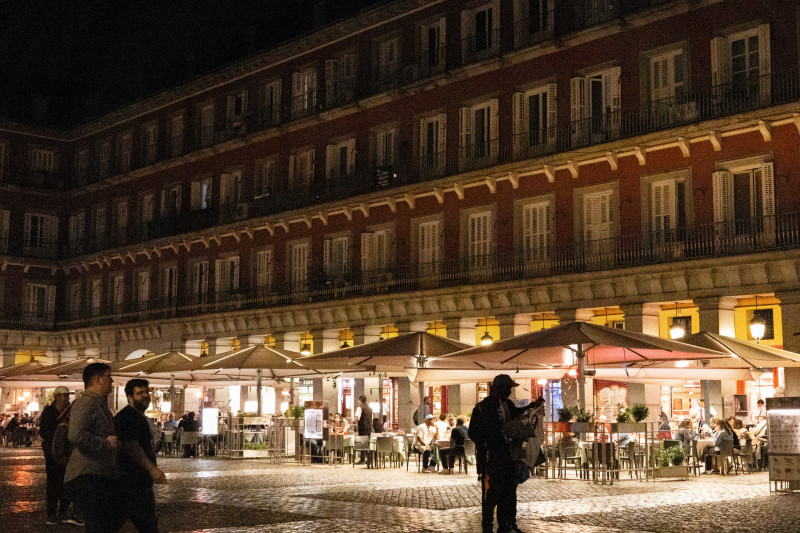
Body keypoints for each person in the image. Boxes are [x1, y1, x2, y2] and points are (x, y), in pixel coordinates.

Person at [469, 374, 545, 533]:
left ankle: (508, 525)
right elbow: (473, 433)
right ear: (498, 388)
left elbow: (518, 415)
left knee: (509, 493)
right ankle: (488, 527)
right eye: (507, 388)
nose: (509, 391)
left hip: (510, 457)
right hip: (492, 458)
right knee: (491, 495)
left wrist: (532, 406)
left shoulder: (508, 404)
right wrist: (488, 442)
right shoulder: (482, 408)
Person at [64, 362, 121, 533]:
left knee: (104, 524)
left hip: (98, 475)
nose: (112, 380)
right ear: (97, 379)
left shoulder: (100, 404)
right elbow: (75, 434)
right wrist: (105, 444)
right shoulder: (86, 403)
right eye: (108, 376)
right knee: (100, 526)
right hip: (86, 476)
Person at [114, 379, 167, 533]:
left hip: (135, 480)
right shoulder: (128, 417)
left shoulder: (138, 416)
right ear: (130, 397)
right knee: (148, 525)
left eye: (146, 392)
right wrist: (152, 469)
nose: (145, 396)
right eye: (140, 393)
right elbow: (132, 447)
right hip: (132, 480)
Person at [39, 386, 80, 526]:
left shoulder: (69, 411)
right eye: (64, 395)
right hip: (52, 451)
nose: (67, 398)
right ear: (56, 396)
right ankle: (51, 514)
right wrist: (59, 428)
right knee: (53, 482)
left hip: (66, 452)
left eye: (68, 396)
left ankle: (63, 512)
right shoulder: (49, 412)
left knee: (66, 481)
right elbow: (44, 432)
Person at [354, 395, 372, 463]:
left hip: (362, 427)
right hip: (369, 427)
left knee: (362, 444)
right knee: (368, 443)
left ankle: (362, 459)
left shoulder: (359, 407)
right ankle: (369, 459)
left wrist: (354, 421)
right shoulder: (369, 408)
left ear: (360, 400)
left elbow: (357, 418)